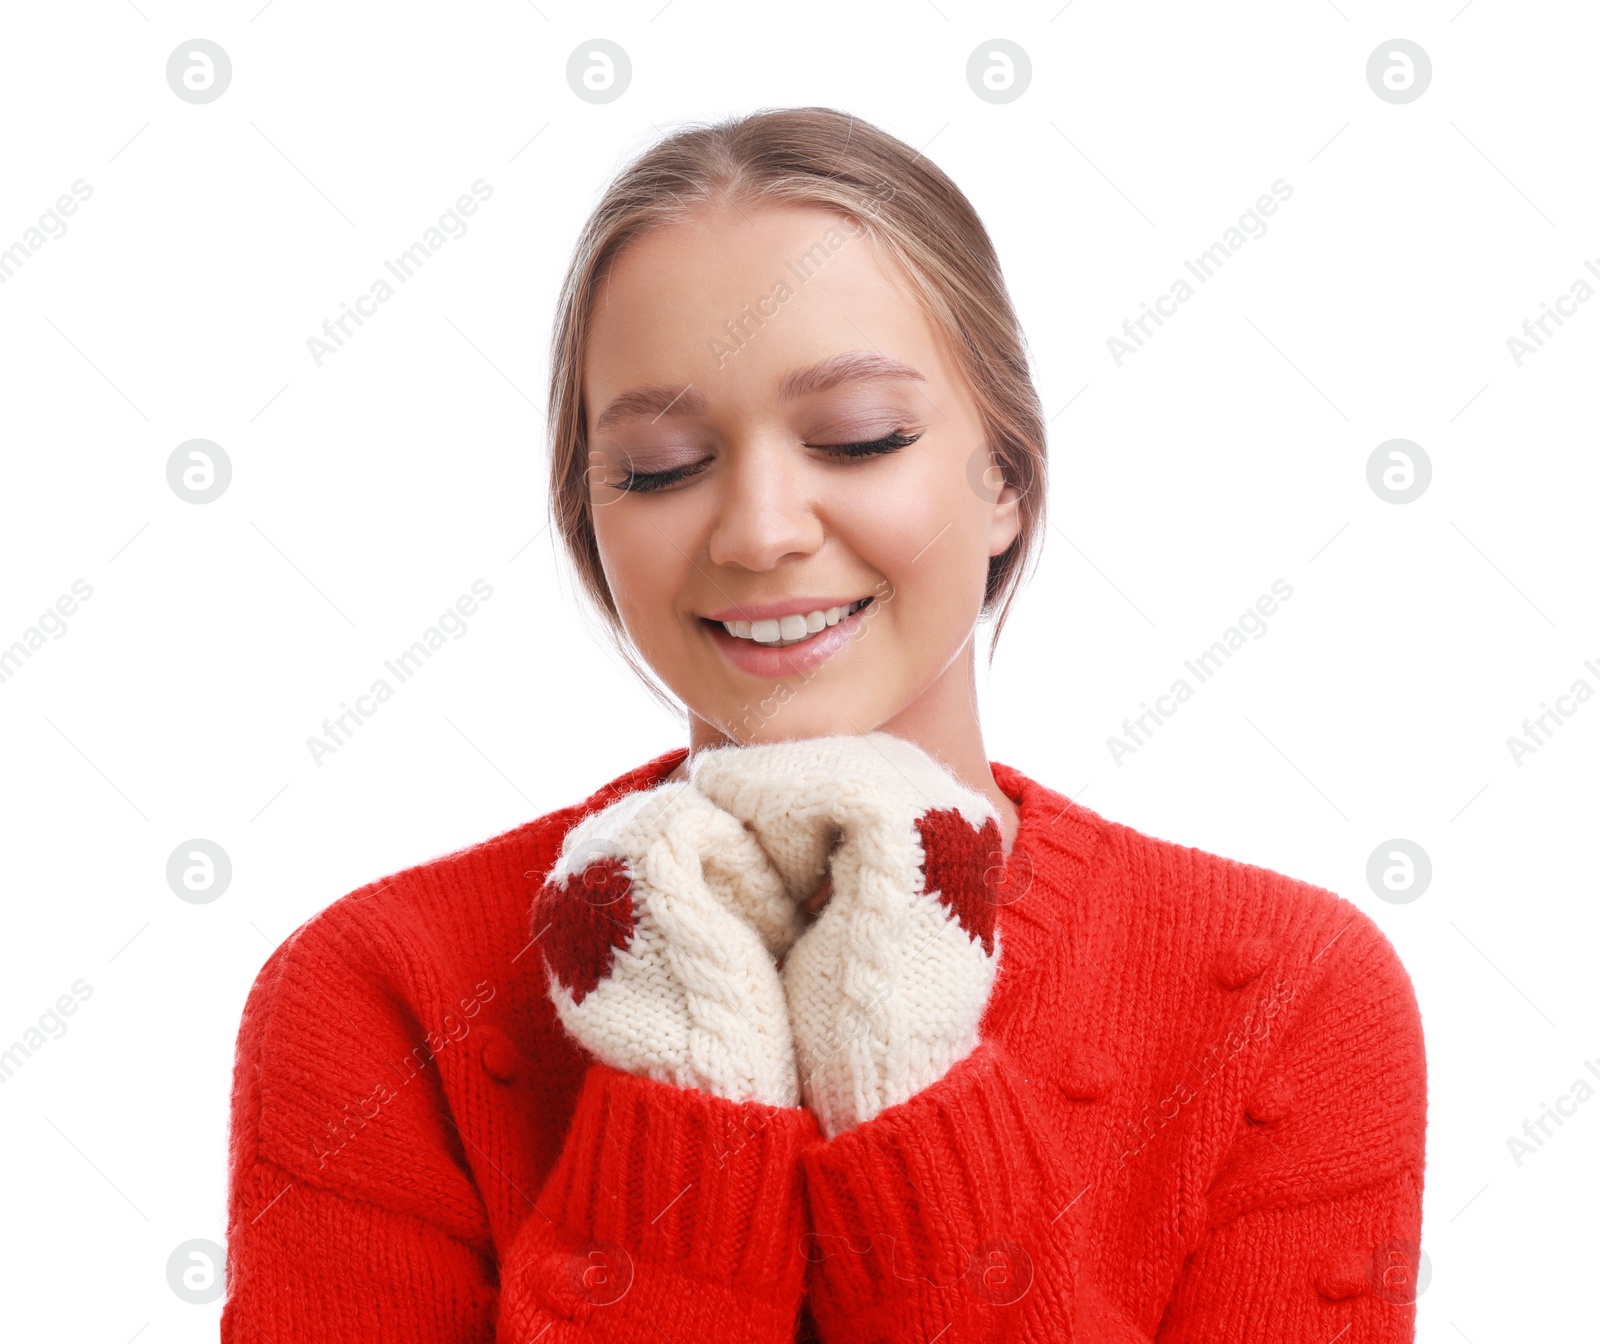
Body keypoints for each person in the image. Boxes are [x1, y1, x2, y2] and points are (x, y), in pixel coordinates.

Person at [220, 107, 1427, 1342]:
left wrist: (909, 1086)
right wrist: (689, 1109)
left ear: (1004, 477)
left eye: (859, 439)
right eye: (659, 466)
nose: (757, 528)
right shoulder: (380, 994)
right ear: (592, 518)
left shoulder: (1292, 997)